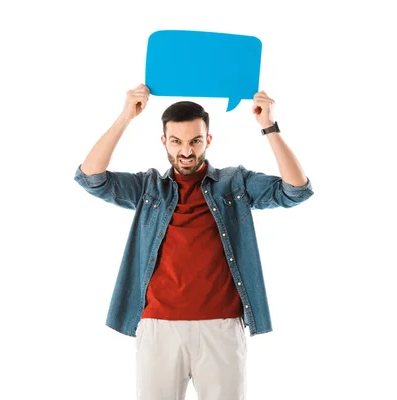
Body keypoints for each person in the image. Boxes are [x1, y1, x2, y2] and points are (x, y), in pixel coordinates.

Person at [73, 84, 314, 400]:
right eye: (176, 142)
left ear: (208, 140)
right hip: (158, 327)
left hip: (222, 327)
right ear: (164, 142)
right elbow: (91, 177)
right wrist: (125, 117)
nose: (186, 151)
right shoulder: (149, 188)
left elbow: (295, 190)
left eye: (195, 141)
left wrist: (269, 126)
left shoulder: (233, 183)